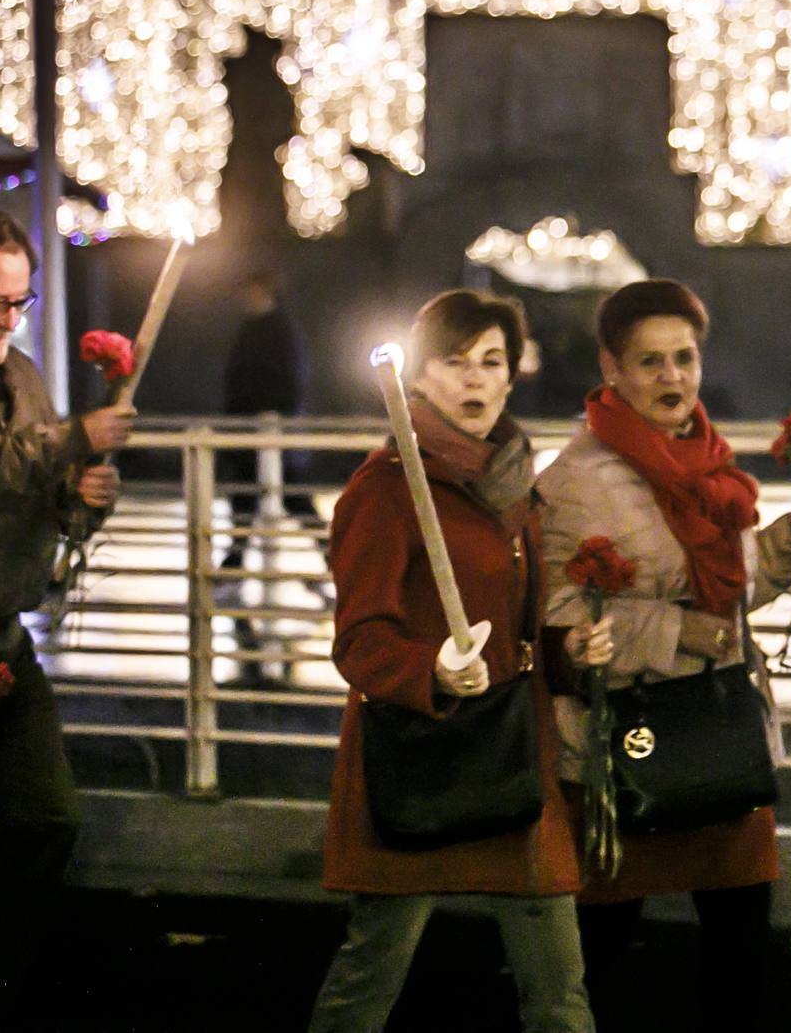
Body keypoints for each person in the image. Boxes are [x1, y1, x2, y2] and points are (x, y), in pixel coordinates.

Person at [535, 279, 791, 1026]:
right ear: (611, 369)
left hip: (720, 727)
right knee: (602, 945)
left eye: (684, 358)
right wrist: (676, 632)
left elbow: (735, 590)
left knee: (740, 944)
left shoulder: (711, 466)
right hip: (626, 740)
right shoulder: (572, 483)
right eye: (650, 362)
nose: (673, 378)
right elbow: (559, 621)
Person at [307, 290, 606, 1033]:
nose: (475, 379)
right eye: (454, 361)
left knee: (560, 988)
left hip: (512, 752)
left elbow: (520, 623)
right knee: (370, 979)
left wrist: (569, 654)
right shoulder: (385, 491)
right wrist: (431, 670)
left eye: (491, 361)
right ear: (418, 380)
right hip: (425, 759)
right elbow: (358, 640)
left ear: (513, 377)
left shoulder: (511, 486)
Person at [0, 210, 131, 1025]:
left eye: (16, 302)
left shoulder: (26, 375)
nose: (4, 321)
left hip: (5, 636)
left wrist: (84, 504)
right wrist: (72, 438)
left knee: (46, 818)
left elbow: (41, 496)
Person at [219, 268, 324, 683]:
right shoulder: (262, 329)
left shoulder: (276, 331)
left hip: (270, 433)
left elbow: (280, 380)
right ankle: (234, 566)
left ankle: (334, 558)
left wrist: (272, 421)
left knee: (290, 499)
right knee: (251, 502)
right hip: (255, 433)